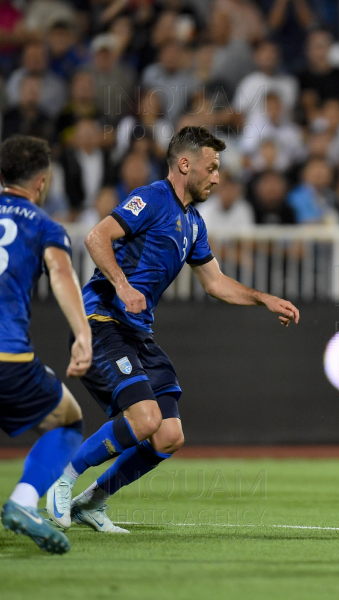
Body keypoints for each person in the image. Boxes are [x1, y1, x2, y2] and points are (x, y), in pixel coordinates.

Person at [46, 126, 300, 534]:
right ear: (185, 164)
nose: (217, 177)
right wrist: (123, 286)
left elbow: (215, 283)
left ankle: (92, 503)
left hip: (139, 334)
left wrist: (263, 298)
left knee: (168, 435)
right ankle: (62, 478)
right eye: (211, 168)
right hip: (104, 321)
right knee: (145, 419)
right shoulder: (151, 198)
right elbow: (97, 237)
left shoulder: (194, 223)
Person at [0, 135, 91, 554]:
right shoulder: (43, 225)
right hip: (9, 359)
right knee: (68, 421)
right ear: (42, 183)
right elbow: (60, 273)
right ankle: (23, 502)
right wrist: (83, 334)